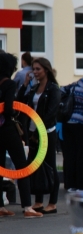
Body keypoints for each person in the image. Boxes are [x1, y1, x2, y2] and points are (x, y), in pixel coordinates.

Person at [17, 57, 61, 214]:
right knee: (36, 166)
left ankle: (53, 203)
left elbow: (51, 113)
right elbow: (19, 101)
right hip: (32, 132)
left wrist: (38, 132)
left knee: (49, 166)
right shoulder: (34, 89)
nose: (35, 72)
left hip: (46, 132)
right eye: (33, 69)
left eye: (38, 69)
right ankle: (38, 201)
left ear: (46, 70)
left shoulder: (53, 89)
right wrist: (24, 84)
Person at [0, 52, 41, 218]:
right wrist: (13, 112)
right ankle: (27, 207)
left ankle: (1, 207)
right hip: (8, 129)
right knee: (22, 167)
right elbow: (9, 108)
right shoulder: (8, 84)